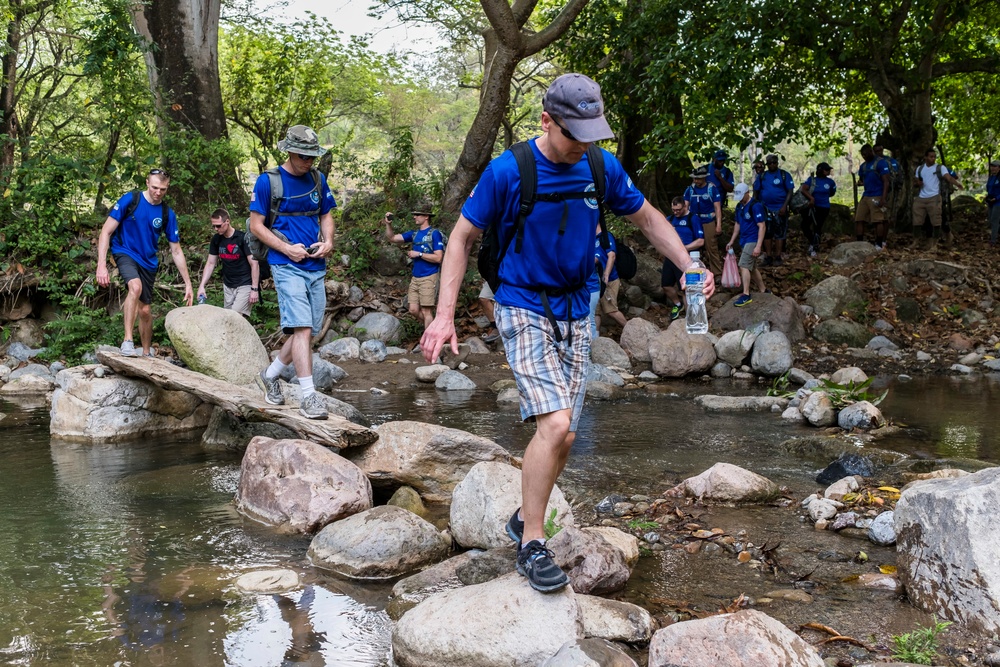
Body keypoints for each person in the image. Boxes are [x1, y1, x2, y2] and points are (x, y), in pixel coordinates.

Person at [419, 73, 713, 593]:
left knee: (567, 433)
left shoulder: (600, 166)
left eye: (591, 133)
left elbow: (645, 218)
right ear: (546, 120)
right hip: (522, 302)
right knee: (555, 425)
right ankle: (532, 542)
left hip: (578, 308)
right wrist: (444, 314)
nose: (583, 144)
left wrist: (687, 262)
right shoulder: (509, 171)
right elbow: (462, 239)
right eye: (573, 133)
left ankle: (521, 515)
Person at [250, 125, 336, 420]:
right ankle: (309, 396)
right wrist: (286, 250)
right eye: (303, 156)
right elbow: (256, 225)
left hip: (315, 265)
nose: (309, 162)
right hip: (285, 264)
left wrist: (328, 241)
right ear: (289, 151)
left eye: (313, 157)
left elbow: (326, 213)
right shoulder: (267, 182)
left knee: (307, 332)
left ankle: (270, 375)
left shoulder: (318, 179)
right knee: (301, 328)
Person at [96, 169, 194, 357]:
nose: (158, 192)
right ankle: (127, 342)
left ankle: (147, 353)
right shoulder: (130, 200)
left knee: (146, 310)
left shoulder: (167, 213)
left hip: (148, 261)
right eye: (155, 187)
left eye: (163, 189)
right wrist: (101, 264)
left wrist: (188, 284)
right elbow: (106, 231)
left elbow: (176, 250)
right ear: (147, 183)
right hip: (124, 251)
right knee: (135, 287)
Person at [384, 205, 445, 331]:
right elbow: (392, 238)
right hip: (416, 277)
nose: (414, 217)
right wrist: (388, 224)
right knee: (413, 310)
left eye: (418, 214)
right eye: (415, 214)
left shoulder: (435, 234)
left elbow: (439, 258)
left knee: (426, 311)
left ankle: (429, 341)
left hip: (430, 276)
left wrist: (420, 254)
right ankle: (435, 330)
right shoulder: (414, 234)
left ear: (426, 216)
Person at [196, 209, 259, 316]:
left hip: (245, 283)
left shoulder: (242, 238)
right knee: (228, 320)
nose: (216, 229)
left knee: (234, 317)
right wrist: (202, 286)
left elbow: (254, 264)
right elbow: (211, 263)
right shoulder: (216, 239)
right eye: (214, 226)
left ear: (227, 222)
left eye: (218, 226)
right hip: (228, 285)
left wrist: (254, 289)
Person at [662, 196, 704, 320]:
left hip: (687, 258)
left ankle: (690, 316)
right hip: (671, 257)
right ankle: (677, 304)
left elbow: (700, 241)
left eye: (678, 210)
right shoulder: (670, 219)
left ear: (684, 206)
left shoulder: (693, 219)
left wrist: (683, 248)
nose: (676, 213)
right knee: (666, 285)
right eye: (673, 210)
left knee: (686, 287)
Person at [913, 148, 963, 249]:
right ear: (925, 157)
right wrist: (917, 183)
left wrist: (957, 184)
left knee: (939, 218)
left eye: (935, 157)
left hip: (937, 196)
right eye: (931, 157)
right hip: (923, 197)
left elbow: (949, 177)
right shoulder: (920, 169)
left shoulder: (940, 168)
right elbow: (916, 181)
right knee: (924, 219)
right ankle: (928, 241)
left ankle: (944, 238)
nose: (933, 159)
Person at [727, 183, 766, 306]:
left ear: (747, 193)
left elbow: (762, 226)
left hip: (753, 239)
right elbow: (737, 224)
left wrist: (758, 246)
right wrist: (732, 241)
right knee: (752, 268)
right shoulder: (739, 206)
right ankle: (763, 289)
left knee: (743, 265)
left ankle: (746, 294)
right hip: (744, 240)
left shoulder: (756, 206)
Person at [754, 154, 794, 265]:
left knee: (779, 233)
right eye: (770, 163)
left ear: (777, 163)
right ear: (767, 164)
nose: (772, 165)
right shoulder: (762, 176)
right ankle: (768, 256)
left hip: (780, 208)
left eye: (774, 163)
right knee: (767, 233)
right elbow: (756, 191)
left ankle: (778, 256)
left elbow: (790, 191)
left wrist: (784, 206)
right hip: (765, 208)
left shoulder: (784, 175)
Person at [683, 166, 723, 277]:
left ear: (704, 178)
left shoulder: (712, 189)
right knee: (692, 246)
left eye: (698, 178)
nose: (696, 181)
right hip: (694, 221)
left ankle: (717, 273)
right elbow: (685, 206)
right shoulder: (690, 189)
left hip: (708, 220)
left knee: (711, 246)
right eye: (694, 178)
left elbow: (717, 208)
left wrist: (718, 225)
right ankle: (691, 271)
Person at [854, 144, 891, 250]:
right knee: (859, 219)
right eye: (863, 155)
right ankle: (859, 243)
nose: (864, 156)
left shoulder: (880, 163)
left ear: (871, 152)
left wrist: (883, 198)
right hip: (866, 195)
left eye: (866, 154)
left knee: (878, 220)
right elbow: (862, 179)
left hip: (877, 195)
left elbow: (886, 181)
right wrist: (860, 183)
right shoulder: (863, 166)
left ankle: (879, 243)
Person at [594, 224, 628, 332]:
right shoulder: (592, 239)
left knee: (610, 310)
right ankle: (595, 338)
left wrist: (606, 275)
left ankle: (630, 329)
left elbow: (611, 256)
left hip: (609, 280)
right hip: (596, 281)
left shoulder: (606, 236)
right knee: (596, 311)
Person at [800, 162, 837, 257]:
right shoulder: (812, 180)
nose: (829, 171)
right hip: (812, 207)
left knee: (818, 226)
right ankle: (813, 241)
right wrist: (811, 198)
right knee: (805, 225)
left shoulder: (830, 182)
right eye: (827, 170)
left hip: (824, 207)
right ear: (821, 170)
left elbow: (832, 193)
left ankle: (814, 247)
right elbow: (803, 189)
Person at [987, 160, 1000, 248]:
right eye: (992, 166)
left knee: (994, 220)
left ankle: (993, 240)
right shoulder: (991, 177)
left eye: (995, 166)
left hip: (998, 202)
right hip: (990, 201)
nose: (993, 168)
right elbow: (989, 188)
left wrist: (997, 198)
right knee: (991, 220)